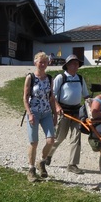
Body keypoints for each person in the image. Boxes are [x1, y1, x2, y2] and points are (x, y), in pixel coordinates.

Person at [45, 54, 89, 174]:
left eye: (77, 63)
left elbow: (86, 95)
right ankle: (48, 155)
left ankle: (72, 164)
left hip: (76, 112)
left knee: (76, 137)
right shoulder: (61, 77)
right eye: (73, 63)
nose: (75, 65)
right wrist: (57, 107)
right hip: (63, 112)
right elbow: (52, 95)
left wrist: (91, 107)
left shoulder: (80, 78)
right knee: (60, 137)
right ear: (67, 65)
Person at [23, 52, 57, 182]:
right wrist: (30, 113)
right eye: (40, 62)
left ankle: (41, 162)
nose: (43, 64)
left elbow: (51, 98)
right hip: (34, 112)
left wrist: (54, 115)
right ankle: (31, 169)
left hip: (46, 112)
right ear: (35, 63)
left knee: (51, 140)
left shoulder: (49, 78)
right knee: (34, 142)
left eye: (45, 62)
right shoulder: (30, 78)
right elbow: (25, 97)